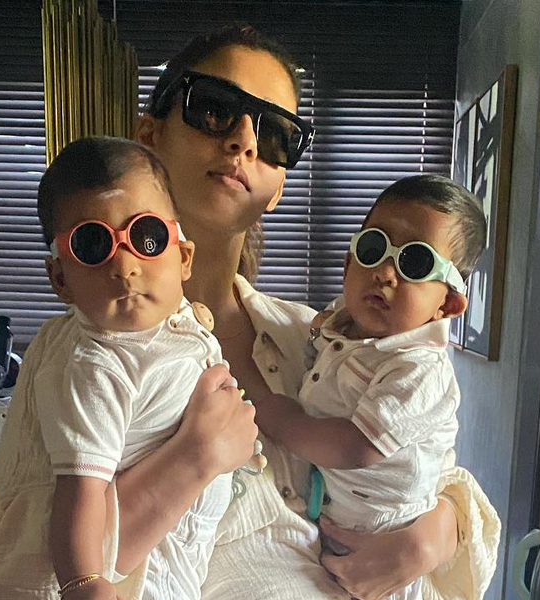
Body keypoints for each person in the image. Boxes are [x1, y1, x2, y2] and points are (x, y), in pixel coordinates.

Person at [130, 26, 503, 600]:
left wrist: (432, 537)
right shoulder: (93, 353)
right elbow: (25, 562)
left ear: (279, 186)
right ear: (150, 137)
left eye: (274, 133)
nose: (244, 141)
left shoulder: (317, 337)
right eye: (214, 108)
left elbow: (426, 464)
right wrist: (189, 462)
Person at [0, 137, 256, 600]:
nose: (124, 265)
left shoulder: (174, 326)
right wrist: (83, 582)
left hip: (184, 554)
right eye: (92, 245)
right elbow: (79, 494)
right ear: (60, 279)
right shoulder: (93, 364)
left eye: (147, 237)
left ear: (183, 257)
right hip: (138, 579)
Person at [252, 174, 487, 600]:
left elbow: (358, 446)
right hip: (337, 538)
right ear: (348, 263)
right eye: (373, 248)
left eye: (415, 262)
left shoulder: (418, 366)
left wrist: (281, 419)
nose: (384, 272)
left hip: (388, 537)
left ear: (448, 304)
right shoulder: (333, 328)